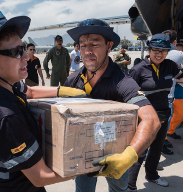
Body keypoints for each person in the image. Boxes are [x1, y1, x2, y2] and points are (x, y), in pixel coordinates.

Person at [0, 9, 87, 192]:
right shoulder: (6, 118)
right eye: (16, 52)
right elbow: (41, 177)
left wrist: (62, 90)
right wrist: (93, 166)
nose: (26, 56)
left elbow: (30, 91)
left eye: (23, 47)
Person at [66, 18, 161, 192]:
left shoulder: (122, 82)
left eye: (95, 44)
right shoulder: (73, 81)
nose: (88, 51)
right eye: (83, 45)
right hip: (83, 152)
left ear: (109, 46)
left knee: (119, 189)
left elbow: (152, 120)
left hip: (117, 150)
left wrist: (128, 157)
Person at [128, 34, 183, 190]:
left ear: (167, 52)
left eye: (163, 51)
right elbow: (128, 94)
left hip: (164, 114)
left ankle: (151, 175)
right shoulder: (138, 69)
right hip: (144, 117)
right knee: (140, 151)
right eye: (155, 50)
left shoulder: (170, 65)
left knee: (157, 148)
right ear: (149, 50)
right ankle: (129, 186)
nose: (159, 54)